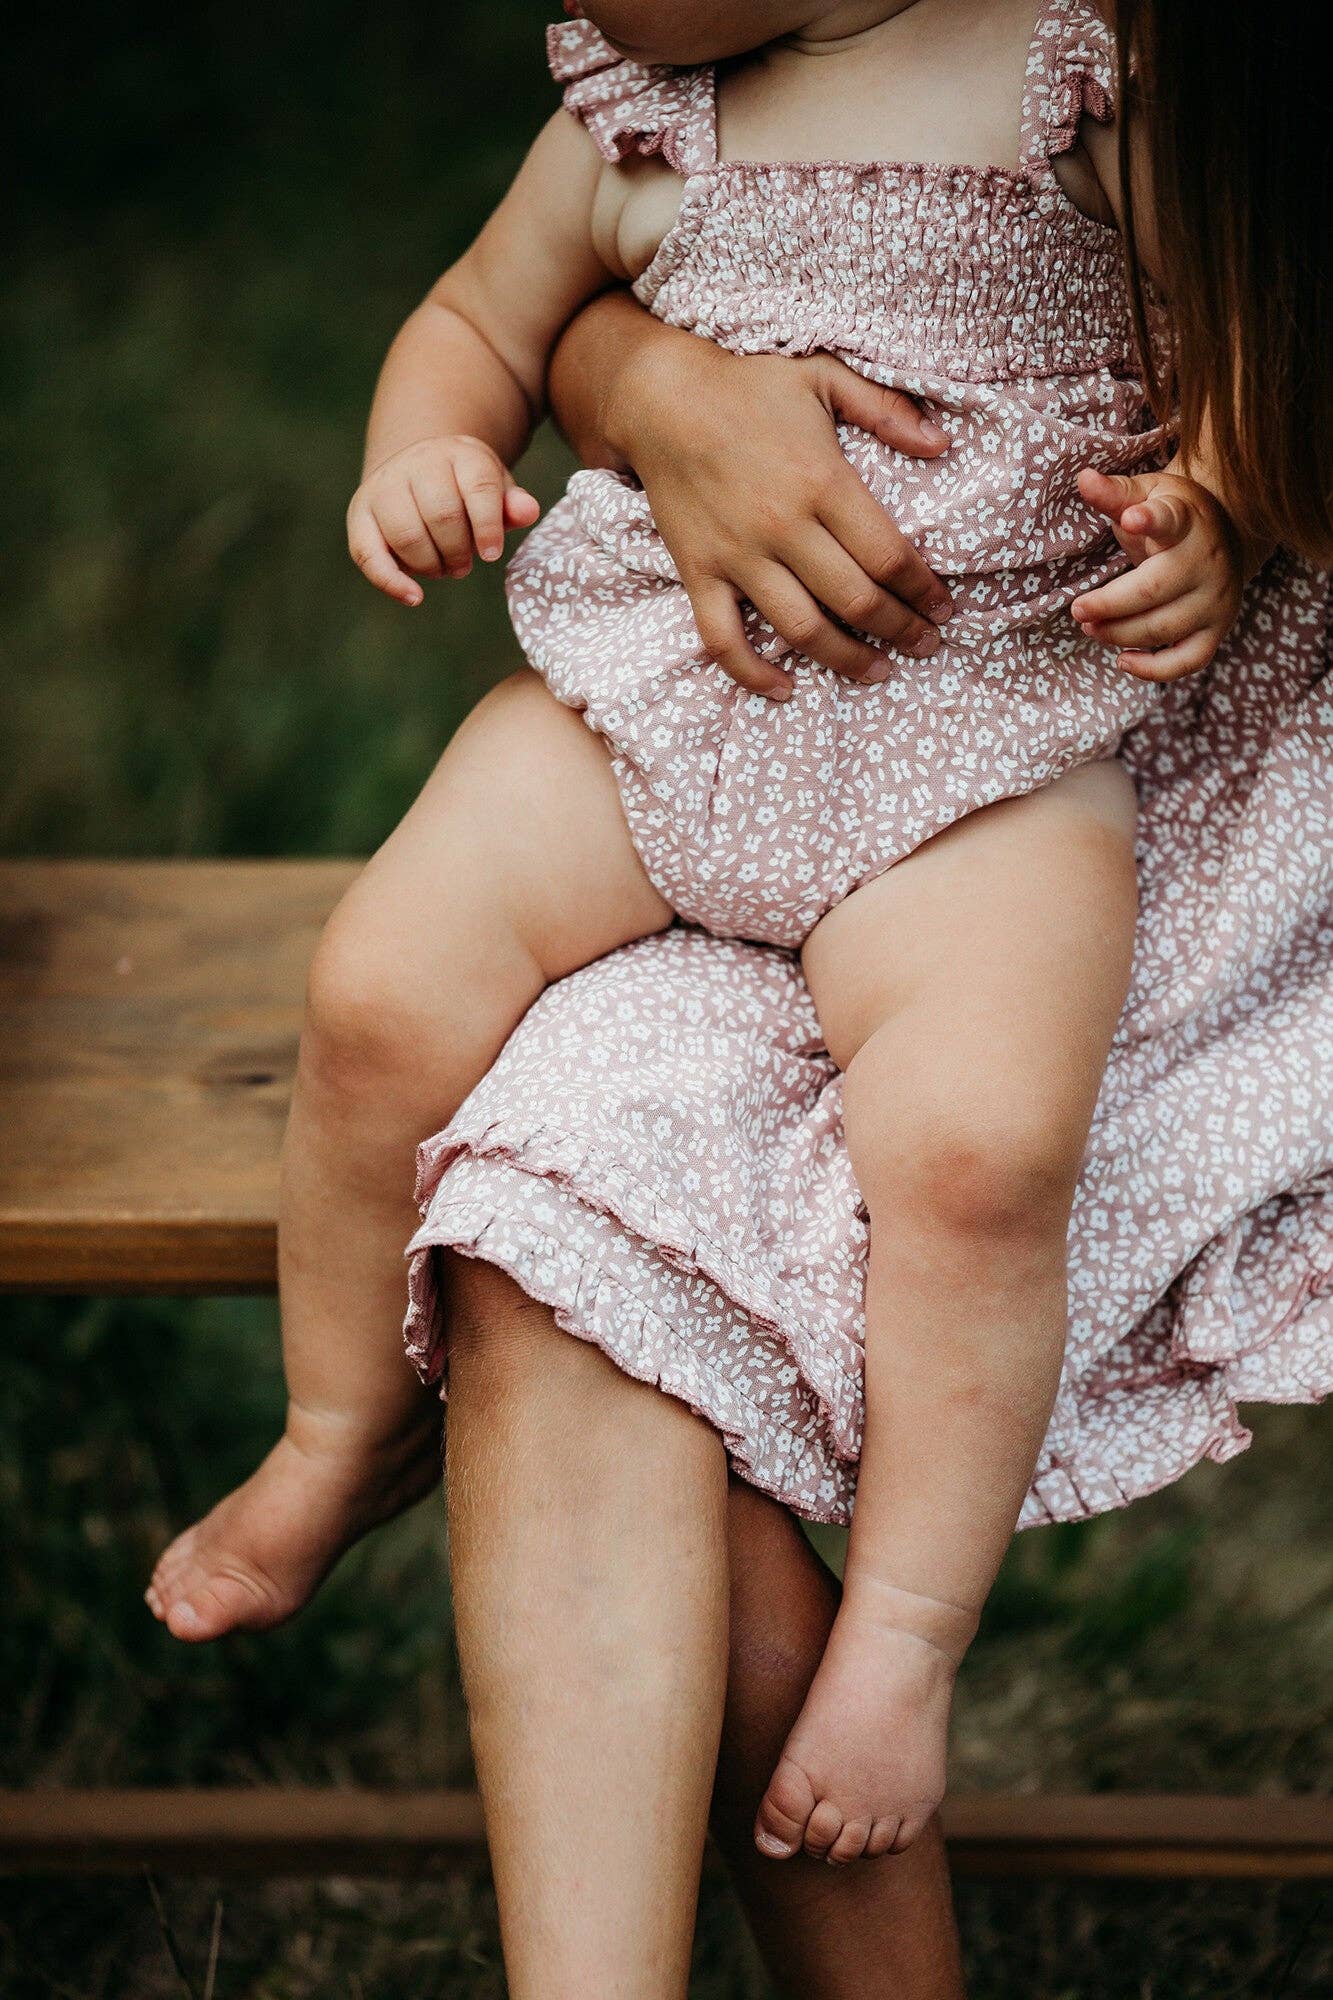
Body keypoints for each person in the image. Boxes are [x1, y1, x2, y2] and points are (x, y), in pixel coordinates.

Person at [150, 3, 1331, 1992]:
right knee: (377, 992)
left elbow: (1238, 353)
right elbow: (478, 320)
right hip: (667, 705)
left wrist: (1205, 517)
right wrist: (424, 444)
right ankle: (340, 1422)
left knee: (975, 1147)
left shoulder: (1067, 72)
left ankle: (897, 1648)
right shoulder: (624, 111)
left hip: (982, 742)